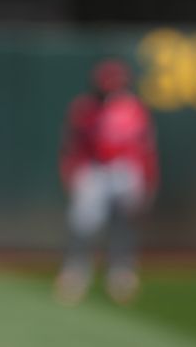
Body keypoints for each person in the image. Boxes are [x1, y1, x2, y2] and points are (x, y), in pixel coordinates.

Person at [53, 58, 158, 305]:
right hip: (94, 170)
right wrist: (71, 173)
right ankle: (76, 272)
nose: (111, 87)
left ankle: (121, 274)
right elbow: (71, 146)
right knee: (83, 224)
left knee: (124, 224)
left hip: (125, 169)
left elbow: (146, 148)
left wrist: (148, 178)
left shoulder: (134, 109)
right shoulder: (84, 108)